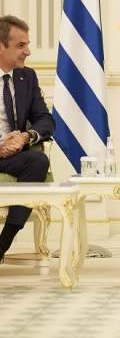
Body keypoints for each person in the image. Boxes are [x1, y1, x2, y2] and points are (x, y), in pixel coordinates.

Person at [0, 15, 56, 263]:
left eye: (27, 45)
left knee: (38, 161)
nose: (28, 52)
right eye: (21, 45)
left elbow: (45, 119)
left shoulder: (27, 77)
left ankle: (2, 245)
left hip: (12, 155)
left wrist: (25, 136)